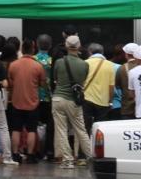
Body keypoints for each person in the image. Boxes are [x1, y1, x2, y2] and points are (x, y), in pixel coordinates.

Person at [51, 35, 91, 168]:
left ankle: (67, 160)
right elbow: (82, 81)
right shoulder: (85, 64)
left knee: (61, 130)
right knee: (81, 130)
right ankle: (91, 157)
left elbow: (55, 79)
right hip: (74, 101)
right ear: (79, 46)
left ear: (66, 46)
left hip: (58, 98)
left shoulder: (59, 62)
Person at [8, 38, 47, 162]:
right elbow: (42, 83)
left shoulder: (13, 65)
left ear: (22, 49)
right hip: (32, 102)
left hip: (16, 102)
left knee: (16, 129)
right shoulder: (38, 66)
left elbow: (10, 83)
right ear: (33, 49)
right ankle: (30, 155)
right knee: (31, 129)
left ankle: (15, 154)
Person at [82, 42, 116, 132]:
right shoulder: (110, 65)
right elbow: (111, 86)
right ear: (102, 52)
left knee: (86, 127)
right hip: (103, 102)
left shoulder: (85, 63)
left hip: (87, 99)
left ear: (89, 52)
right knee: (100, 128)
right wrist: (110, 101)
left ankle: (87, 141)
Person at [34, 35, 54, 163]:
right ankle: (49, 151)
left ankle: (36, 151)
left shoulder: (32, 60)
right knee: (50, 126)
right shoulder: (53, 61)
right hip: (49, 98)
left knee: (34, 125)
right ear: (50, 45)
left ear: (36, 44)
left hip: (34, 97)